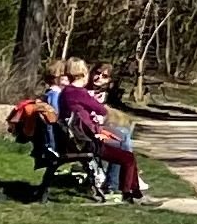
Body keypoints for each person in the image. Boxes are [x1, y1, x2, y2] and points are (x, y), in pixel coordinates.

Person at [50, 57, 147, 202]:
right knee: (127, 153)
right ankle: (120, 190)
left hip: (79, 139)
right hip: (89, 141)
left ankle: (132, 192)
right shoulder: (79, 92)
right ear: (83, 73)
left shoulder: (66, 92)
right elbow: (101, 110)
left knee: (124, 145)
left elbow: (79, 114)